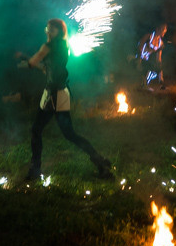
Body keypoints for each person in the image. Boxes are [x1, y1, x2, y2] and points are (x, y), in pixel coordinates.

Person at [18, 18, 112, 182]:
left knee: (39, 130)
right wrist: (34, 63)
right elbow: (48, 68)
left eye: (52, 29)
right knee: (67, 134)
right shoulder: (63, 46)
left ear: (59, 31)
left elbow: (33, 62)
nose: (48, 31)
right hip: (59, 93)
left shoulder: (47, 46)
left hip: (54, 95)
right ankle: (100, 162)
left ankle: (35, 170)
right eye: (48, 28)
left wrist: (23, 62)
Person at [138, 24, 168, 89]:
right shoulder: (148, 37)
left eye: (165, 29)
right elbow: (140, 47)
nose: (164, 31)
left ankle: (158, 83)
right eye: (163, 29)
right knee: (150, 65)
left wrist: (160, 74)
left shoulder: (160, 43)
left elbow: (158, 58)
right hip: (139, 58)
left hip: (147, 60)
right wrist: (139, 60)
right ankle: (144, 84)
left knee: (156, 67)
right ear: (157, 29)